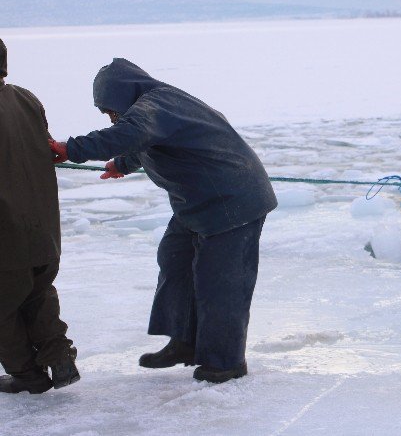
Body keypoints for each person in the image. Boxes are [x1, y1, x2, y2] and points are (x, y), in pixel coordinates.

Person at [50, 58, 277, 384]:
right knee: (175, 259)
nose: (109, 116)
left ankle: (225, 362)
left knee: (222, 283)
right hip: (199, 202)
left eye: (109, 109)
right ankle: (184, 342)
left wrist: (69, 148)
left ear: (123, 94)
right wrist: (122, 165)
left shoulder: (157, 104)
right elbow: (146, 139)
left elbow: (133, 132)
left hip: (234, 200)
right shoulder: (154, 109)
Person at [0, 38, 80, 394]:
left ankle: (28, 375)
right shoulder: (25, 98)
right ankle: (60, 359)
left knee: (4, 305)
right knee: (38, 291)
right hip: (42, 225)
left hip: (6, 231)